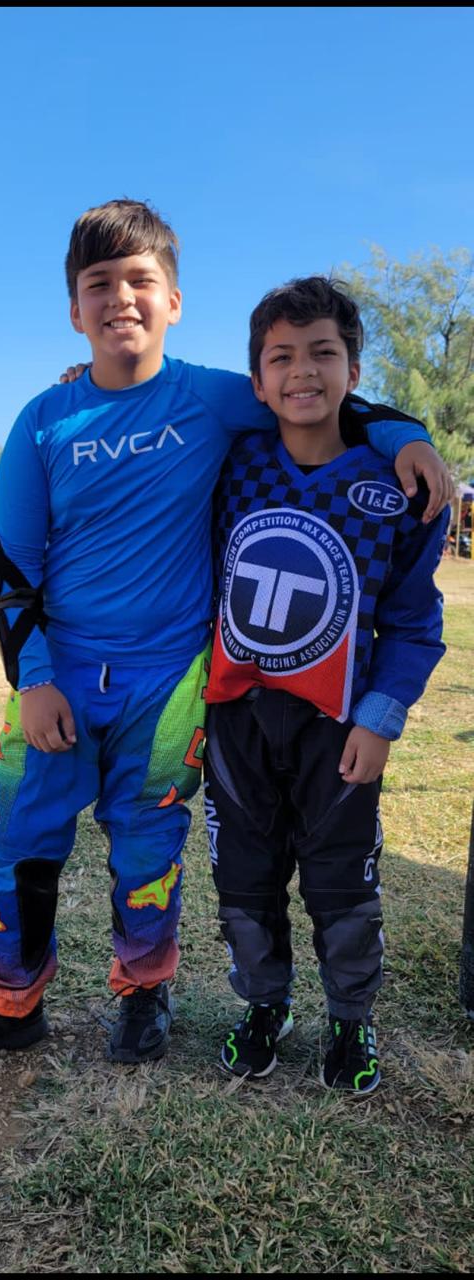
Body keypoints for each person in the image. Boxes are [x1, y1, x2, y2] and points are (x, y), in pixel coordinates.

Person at [0, 201, 451, 1080]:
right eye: (99, 285)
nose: (120, 297)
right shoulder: (42, 420)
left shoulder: (211, 397)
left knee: (147, 847)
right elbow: (8, 565)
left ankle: (142, 991)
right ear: (75, 310)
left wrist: (404, 432)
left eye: (139, 282)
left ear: (173, 301)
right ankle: (7, 1002)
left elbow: (316, 394)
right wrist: (35, 678)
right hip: (60, 676)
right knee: (11, 837)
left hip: (171, 683)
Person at [203, 276, 448, 1094]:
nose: (301, 372)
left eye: (322, 354)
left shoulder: (403, 490)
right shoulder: (227, 467)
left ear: (353, 368)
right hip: (237, 717)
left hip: (340, 726)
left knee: (342, 881)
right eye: (281, 357)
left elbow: (414, 624)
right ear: (256, 378)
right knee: (243, 877)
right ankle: (262, 1005)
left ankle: (351, 1018)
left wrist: (380, 719)